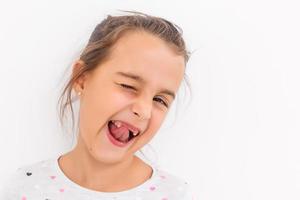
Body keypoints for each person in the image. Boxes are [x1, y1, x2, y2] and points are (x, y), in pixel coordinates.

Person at [1, 11, 196, 200]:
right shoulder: (25, 187)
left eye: (160, 100)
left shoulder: (173, 195)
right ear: (81, 78)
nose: (143, 110)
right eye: (128, 86)